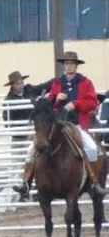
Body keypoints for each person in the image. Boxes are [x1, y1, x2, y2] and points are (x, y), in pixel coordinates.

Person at [13, 51, 105, 198]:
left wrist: (76, 104)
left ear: (76, 65)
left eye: (71, 64)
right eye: (66, 64)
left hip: (77, 124)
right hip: (57, 126)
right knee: (31, 149)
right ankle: (26, 184)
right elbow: (48, 106)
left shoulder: (85, 83)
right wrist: (56, 99)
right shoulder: (57, 83)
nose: (69, 66)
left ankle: (94, 182)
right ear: (64, 66)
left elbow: (92, 102)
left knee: (92, 148)